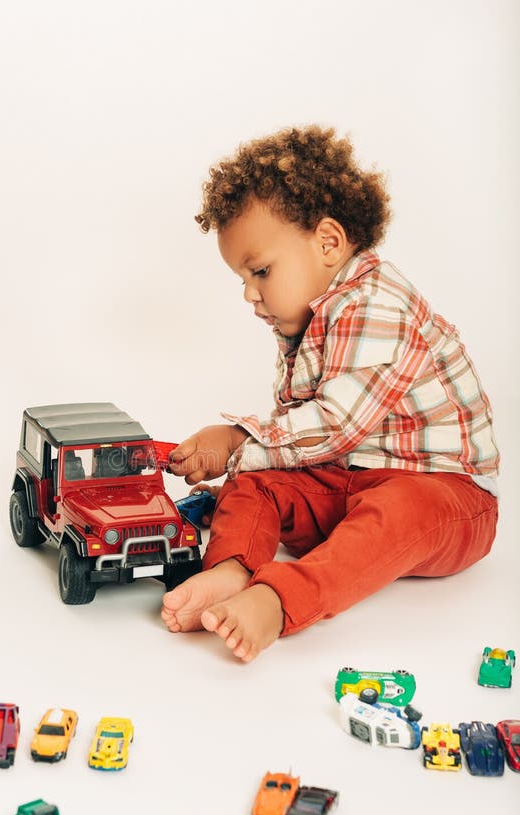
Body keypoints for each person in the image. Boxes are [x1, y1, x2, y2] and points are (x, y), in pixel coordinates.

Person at [162, 125, 499, 663]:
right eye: (243, 279)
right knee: (256, 480)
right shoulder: (303, 323)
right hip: (348, 475)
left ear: (328, 243)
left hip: (444, 492)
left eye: (261, 271)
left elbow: (334, 425)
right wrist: (245, 457)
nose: (250, 293)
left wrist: (235, 438)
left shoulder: (376, 304)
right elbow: (300, 440)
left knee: (397, 513)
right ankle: (232, 568)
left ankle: (279, 599)